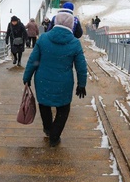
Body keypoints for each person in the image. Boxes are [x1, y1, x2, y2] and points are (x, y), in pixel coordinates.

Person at [22, 11, 87, 147]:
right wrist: (82, 84)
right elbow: (81, 66)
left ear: (55, 22)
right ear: (71, 25)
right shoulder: (74, 43)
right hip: (64, 83)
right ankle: (54, 136)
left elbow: (33, 60)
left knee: (44, 104)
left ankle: (47, 128)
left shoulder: (44, 38)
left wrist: (27, 77)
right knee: (63, 109)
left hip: (42, 80)